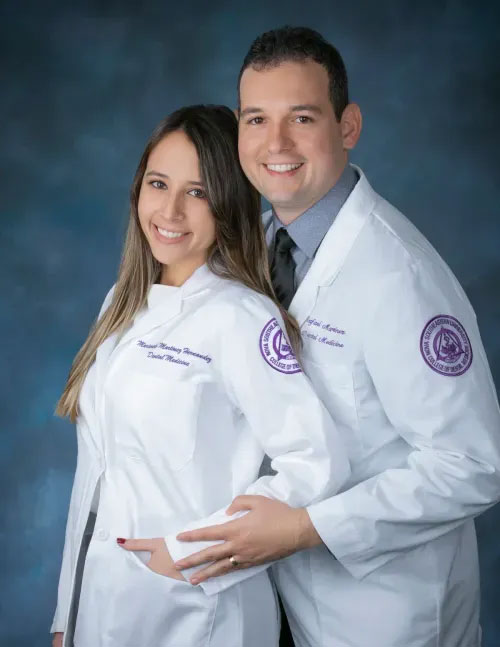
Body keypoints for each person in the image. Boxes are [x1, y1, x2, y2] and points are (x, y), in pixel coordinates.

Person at [169, 27, 500, 647]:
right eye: (256, 119)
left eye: (301, 117)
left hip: (387, 611)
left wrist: (305, 529)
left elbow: (475, 464)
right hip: (283, 599)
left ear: (348, 126)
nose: (276, 144)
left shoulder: (399, 275)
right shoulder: (260, 246)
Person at [50, 104, 351, 647]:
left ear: (229, 205)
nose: (170, 210)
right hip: (100, 605)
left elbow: (315, 462)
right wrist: (65, 617)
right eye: (158, 183)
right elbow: (94, 475)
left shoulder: (241, 319)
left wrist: (190, 554)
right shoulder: (121, 304)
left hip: (197, 613)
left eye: (198, 192)